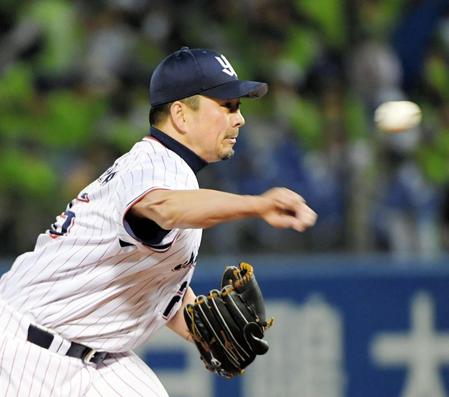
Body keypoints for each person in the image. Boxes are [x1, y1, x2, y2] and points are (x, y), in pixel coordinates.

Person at [0, 47, 317, 396]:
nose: (239, 118)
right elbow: (162, 207)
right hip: (28, 347)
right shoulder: (157, 165)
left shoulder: (173, 173)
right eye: (227, 106)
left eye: (238, 107)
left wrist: (202, 330)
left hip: (101, 358)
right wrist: (256, 205)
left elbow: (155, 283)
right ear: (181, 115)